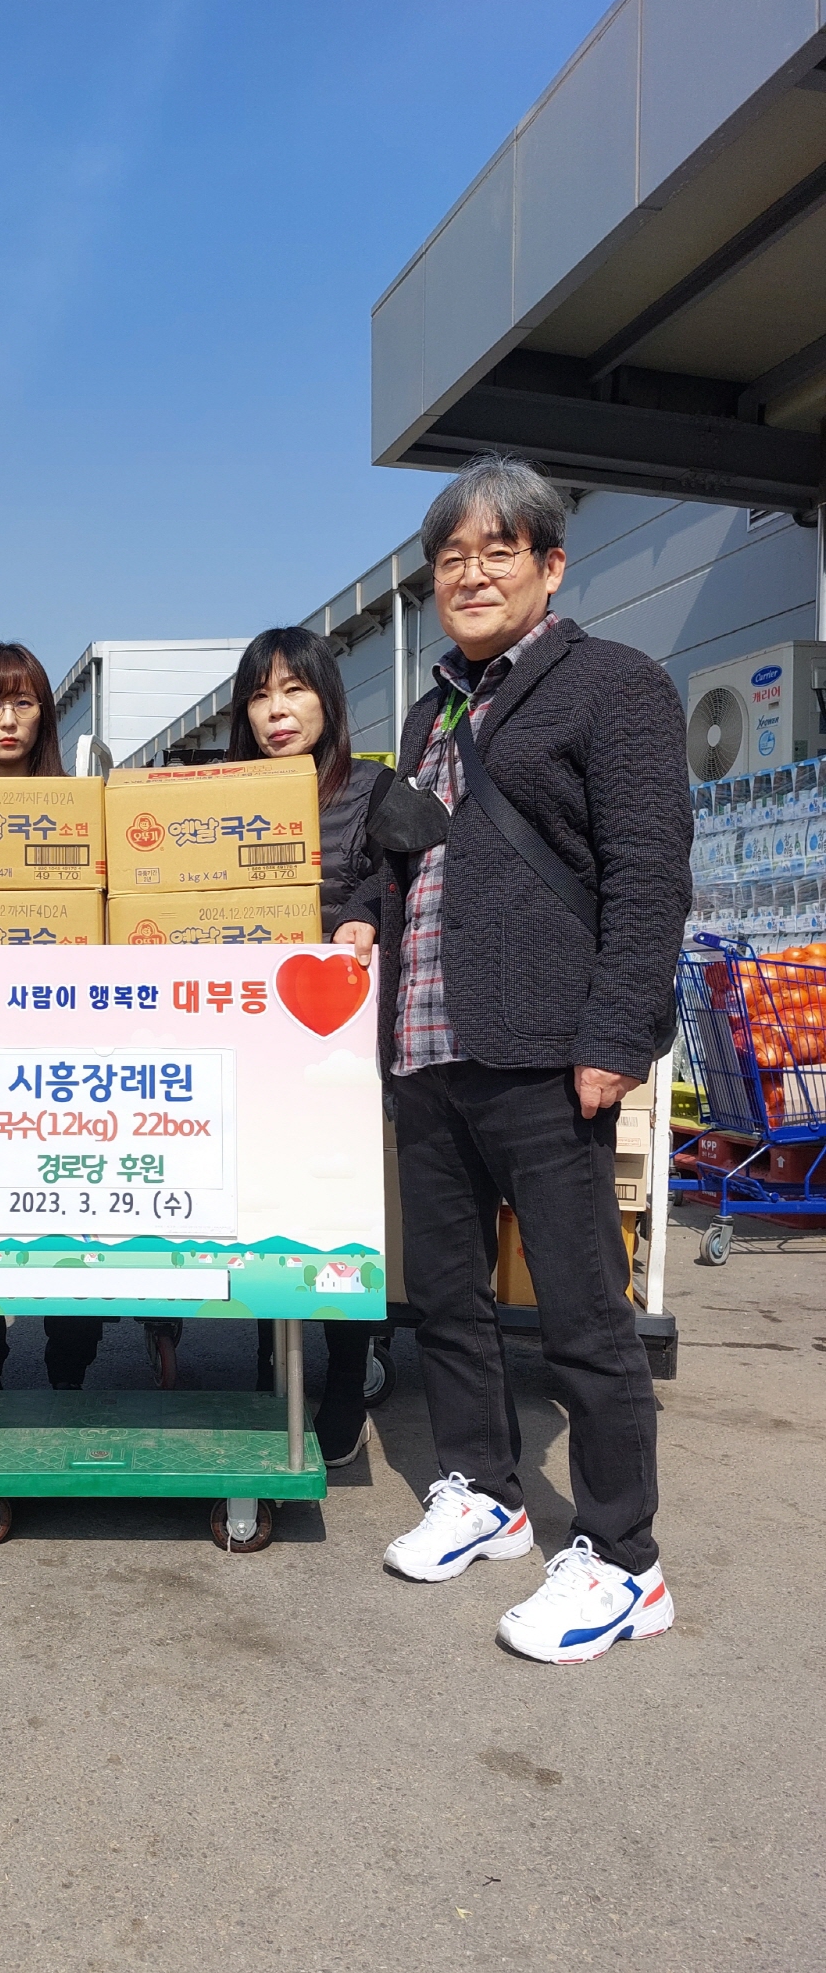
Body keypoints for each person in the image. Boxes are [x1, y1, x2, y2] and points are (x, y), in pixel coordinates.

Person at [334, 454, 691, 1663]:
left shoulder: (615, 687)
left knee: (585, 1314)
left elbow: (648, 875)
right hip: (429, 1055)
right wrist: (357, 924)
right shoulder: (432, 713)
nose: (472, 573)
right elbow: (396, 871)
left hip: (547, 1055)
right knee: (448, 1296)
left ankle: (622, 1558)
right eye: (451, 558)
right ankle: (484, 1488)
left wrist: (614, 1035)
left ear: (551, 564)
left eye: (499, 551)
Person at [208, 625, 386, 1465]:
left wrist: (368, 913)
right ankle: (266, 1370)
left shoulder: (372, 790)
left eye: (295, 691)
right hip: (243, 1037)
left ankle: (347, 1375)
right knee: (258, 1213)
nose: (277, 712)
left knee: (337, 1217)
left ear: (328, 700)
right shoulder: (218, 797)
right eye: (260, 695)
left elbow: (408, 878)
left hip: (332, 1042)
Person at [0, 641, 102, 1392]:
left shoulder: (86, 812)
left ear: (45, 713)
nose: (7, 720)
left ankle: (70, 1365)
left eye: (24, 702)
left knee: (71, 1207)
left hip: (65, 1047)